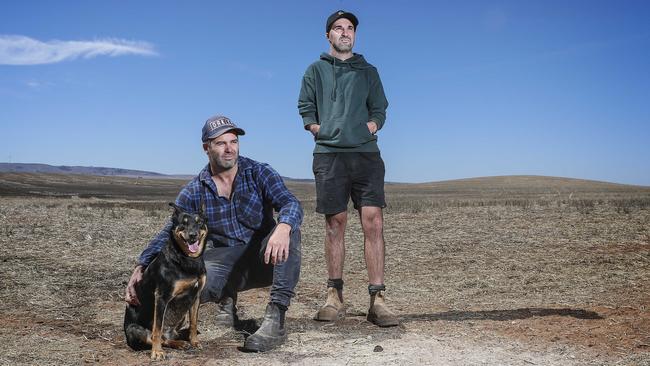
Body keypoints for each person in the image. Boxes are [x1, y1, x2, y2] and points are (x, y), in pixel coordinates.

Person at [125, 115, 303, 352]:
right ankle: (224, 300)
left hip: (264, 256)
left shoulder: (259, 172)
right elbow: (170, 231)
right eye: (221, 143)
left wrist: (283, 227)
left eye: (234, 142)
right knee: (193, 285)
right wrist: (141, 265)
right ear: (206, 148)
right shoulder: (195, 190)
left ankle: (276, 319)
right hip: (226, 263)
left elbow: (291, 203)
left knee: (290, 233)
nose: (229, 149)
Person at [297, 10, 398, 327]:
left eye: (350, 28)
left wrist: (371, 125)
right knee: (335, 224)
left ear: (355, 34)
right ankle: (334, 296)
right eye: (338, 28)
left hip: (366, 155)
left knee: (374, 222)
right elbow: (305, 106)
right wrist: (317, 129)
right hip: (329, 155)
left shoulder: (368, 71)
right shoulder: (315, 70)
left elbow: (380, 107)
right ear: (328, 35)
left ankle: (377, 299)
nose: (345, 32)